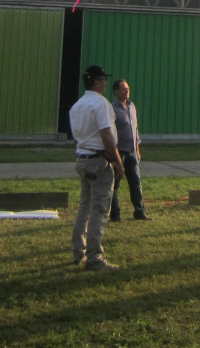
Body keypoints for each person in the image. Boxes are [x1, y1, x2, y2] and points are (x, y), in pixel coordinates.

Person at [69, 65, 124, 272]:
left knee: (84, 206)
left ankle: (78, 251)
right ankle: (94, 257)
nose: (106, 84)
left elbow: (76, 138)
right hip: (98, 160)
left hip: (82, 158)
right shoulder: (101, 104)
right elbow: (107, 135)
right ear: (97, 83)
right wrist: (118, 162)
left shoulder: (77, 106)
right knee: (99, 209)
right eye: (104, 80)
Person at [109, 79, 151, 222]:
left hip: (132, 151)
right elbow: (110, 133)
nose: (127, 91)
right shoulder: (112, 109)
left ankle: (139, 211)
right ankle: (115, 214)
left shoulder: (132, 106)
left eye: (127, 89)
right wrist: (114, 155)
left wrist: (137, 149)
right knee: (115, 185)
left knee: (135, 182)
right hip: (119, 152)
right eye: (123, 89)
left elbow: (135, 130)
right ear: (115, 91)